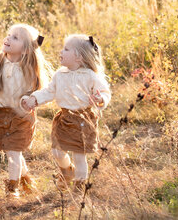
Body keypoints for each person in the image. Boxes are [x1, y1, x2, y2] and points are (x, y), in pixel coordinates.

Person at [0, 24, 53, 197]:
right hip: (1, 115)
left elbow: (38, 89)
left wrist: (29, 100)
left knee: (13, 151)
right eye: (8, 35)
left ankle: (12, 189)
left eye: (15, 38)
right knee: (11, 150)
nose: (7, 38)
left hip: (21, 116)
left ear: (26, 49)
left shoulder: (29, 66)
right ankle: (26, 177)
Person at [21, 34, 111, 194]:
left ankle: (80, 185)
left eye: (66, 49)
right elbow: (49, 92)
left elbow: (104, 92)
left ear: (79, 57)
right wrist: (33, 99)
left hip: (83, 119)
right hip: (64, 118)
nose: (61, 51)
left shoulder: (90, 76)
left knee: (79, 155)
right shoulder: (60, 74)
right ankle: (67, 170)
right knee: (57, 151)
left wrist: (100, 99)